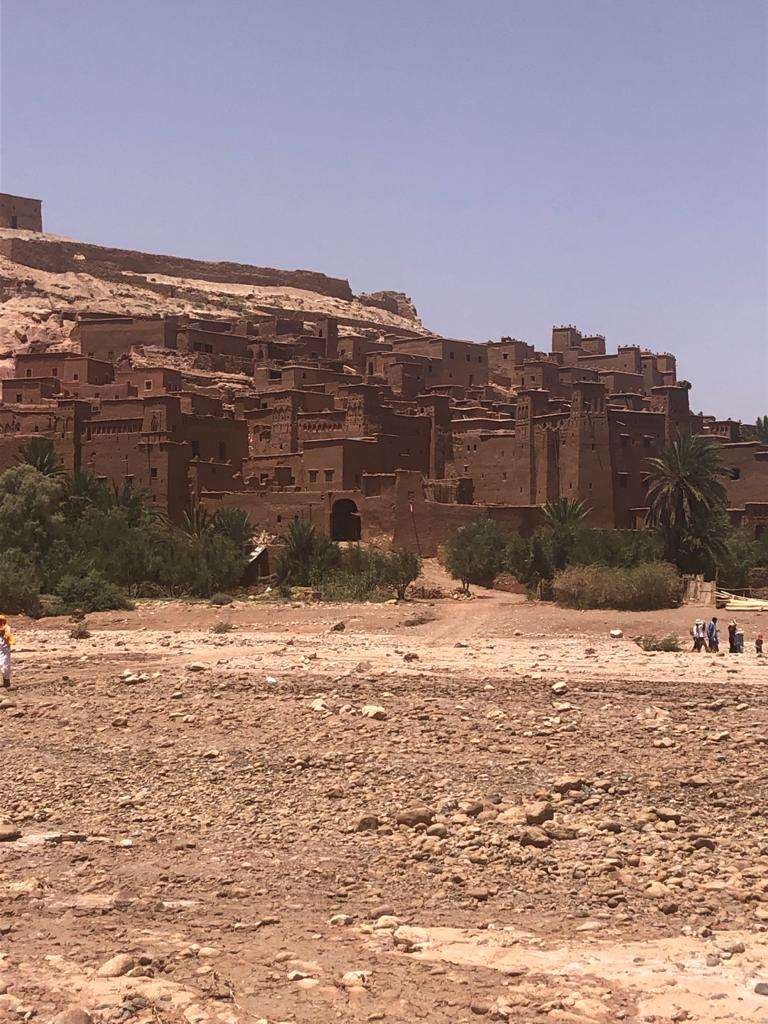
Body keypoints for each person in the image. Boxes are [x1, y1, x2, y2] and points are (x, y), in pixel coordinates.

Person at [0, 615, 13, 689]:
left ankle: (6, 681)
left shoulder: (7, 628)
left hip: (4, 650)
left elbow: (8, 636)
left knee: (4, 665)